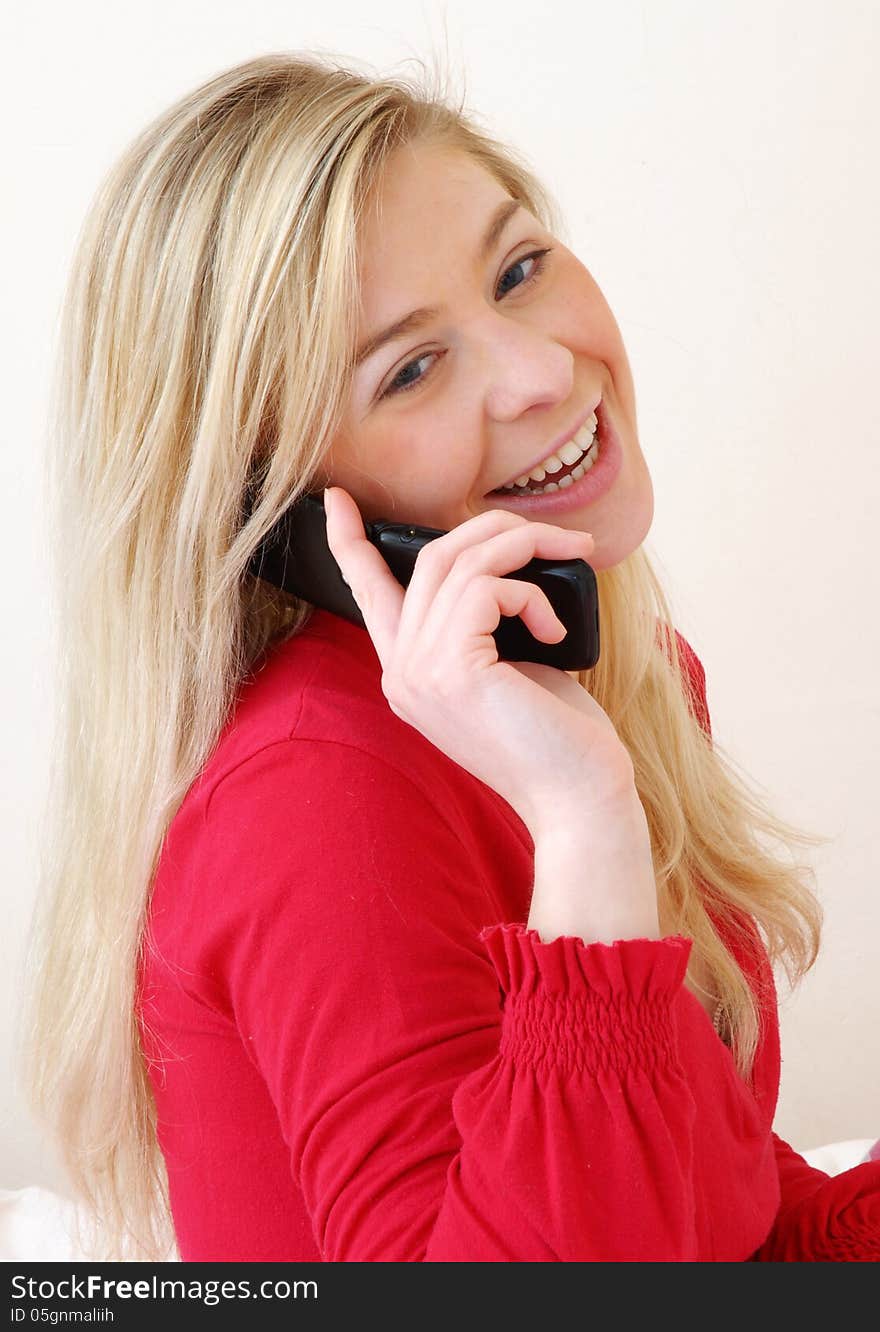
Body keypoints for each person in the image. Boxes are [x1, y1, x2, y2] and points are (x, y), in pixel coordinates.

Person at [22, 51, 879, 1263]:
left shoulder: (585, 674)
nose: (540, 374)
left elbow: (704, 1200)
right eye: (412, 369)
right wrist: (584, 821)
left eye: (519, 270)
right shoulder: (315, 794)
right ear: (288, 515)